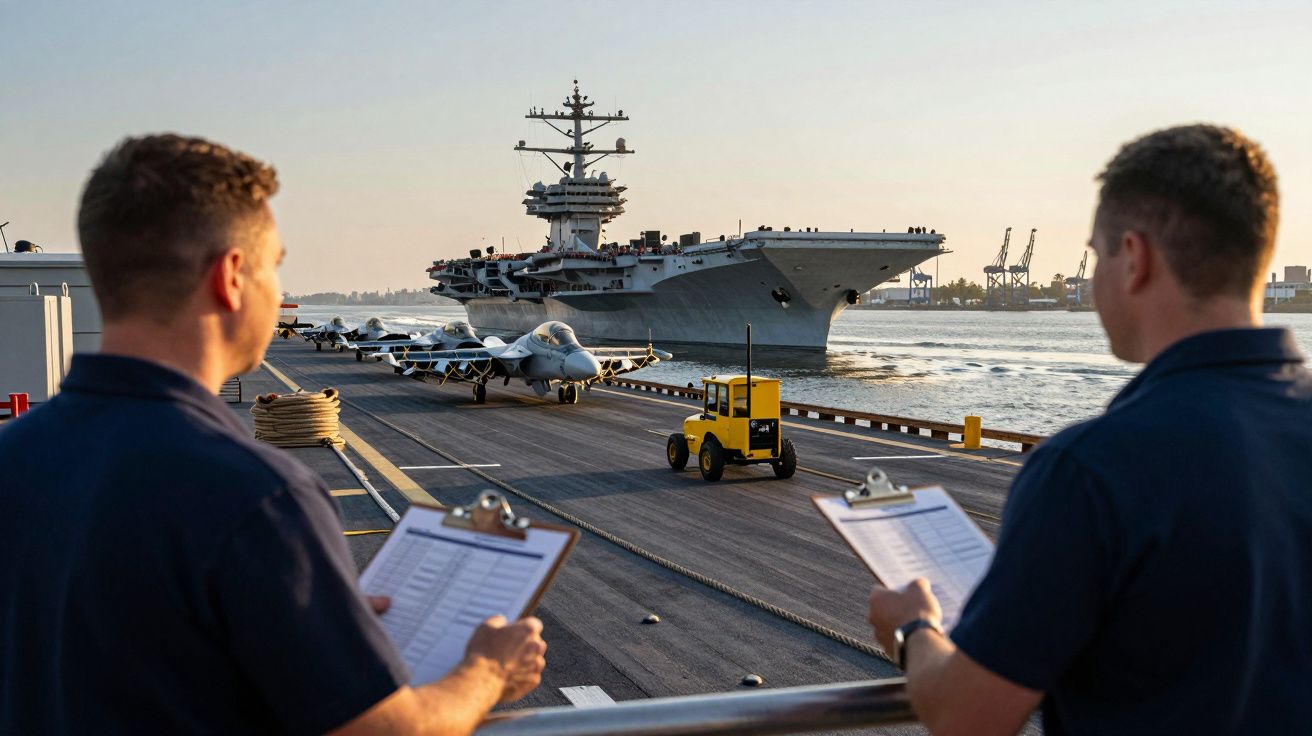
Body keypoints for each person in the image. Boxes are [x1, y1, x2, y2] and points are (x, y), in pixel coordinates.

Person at [0, 135, 547, 735]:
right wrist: (488, 674)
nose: (279, 293)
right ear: (232, 277)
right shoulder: (257, 495)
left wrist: (304, 627)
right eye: (274, 266)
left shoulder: (14, 455)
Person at [868, 125, 1311, 734]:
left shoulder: (1089, 470)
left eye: (1098, 253)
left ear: (1135, 258)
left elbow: (965, 716)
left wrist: (914, 626)